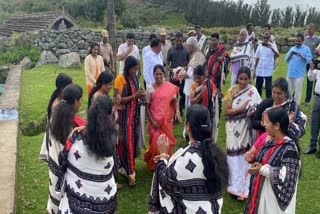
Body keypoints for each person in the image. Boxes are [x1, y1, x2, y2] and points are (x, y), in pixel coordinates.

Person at [148, 104, 229, 214]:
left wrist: (163, 155)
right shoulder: (216, 155)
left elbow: (164, 181)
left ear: (187, 126)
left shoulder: (183, 157)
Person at [56, 96, 117, 213]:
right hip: (106, 202)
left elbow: (62, 160)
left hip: (78, 203)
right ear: (110, 115)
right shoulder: (112, 139)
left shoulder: (75, 139)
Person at [245, 107, 300, 214]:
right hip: (260, 196)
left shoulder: (290, 150)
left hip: (272, 204)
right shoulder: (270, 142)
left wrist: (262, 169)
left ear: (277, 125)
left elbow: (287, 178)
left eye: (266, 122)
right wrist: (253, 160)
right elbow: (264, 160)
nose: (263, 125)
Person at [223, 66, 262, 200]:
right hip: (233, 129)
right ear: (237, 78)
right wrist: (240, 108)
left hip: (246, 128)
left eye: (246, 79)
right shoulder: (231, 91)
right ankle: (233, 186)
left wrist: (251, 112)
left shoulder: (253, 91)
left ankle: (244, 188)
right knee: (233, 157)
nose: (243, 82)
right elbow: (226, 111)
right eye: (240, 78)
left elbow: (259, 108)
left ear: (249, 79)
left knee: (245, 156)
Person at [48, 84, 85, 213]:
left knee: (56, 200)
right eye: (81, 100)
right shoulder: (75, 126)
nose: (81, 103)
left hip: (55, 170)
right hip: (68, 174)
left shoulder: (55, 117)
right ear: (75, 101)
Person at [38, 73, 72, 213]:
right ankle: (55, 208)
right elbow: (61, 132)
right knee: (58, 179)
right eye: (69, 86)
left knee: (56, 180)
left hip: (54, 143)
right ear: (62, 88)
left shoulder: (59, 101)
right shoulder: (58, 106)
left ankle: (55, 206)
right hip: (57, 146)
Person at [114, 56, 145, 186]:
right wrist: (134, 96)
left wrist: (140, 94)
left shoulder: (134, 79)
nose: (135, 71)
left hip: (135, 116)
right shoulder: (120, 79)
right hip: (125, 117)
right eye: (133, 68)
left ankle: (128, 168)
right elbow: (117, 100)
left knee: (132, 142)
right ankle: (130, 172)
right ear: (128, 67)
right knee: (126, 143)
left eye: (136, 68)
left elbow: (136, 94)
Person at [144, 64, 181, 170]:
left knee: (166, 142)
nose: (158, 76)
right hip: (154, 121)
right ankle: (155, 163)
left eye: (160, 74)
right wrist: (152, 121)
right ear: (153, 75)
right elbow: (147, 107)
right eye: (156, 74)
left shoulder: (168, 87)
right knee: (155, 143)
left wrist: (177, 111)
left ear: (163, 74)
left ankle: (166, 162)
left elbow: (175, 100)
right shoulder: (150, 89)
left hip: (166, 121)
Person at [251, 77, 306, 145]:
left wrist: (288, 124)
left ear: (285, 93)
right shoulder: (266, 104)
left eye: (279, 93)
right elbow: (253, 123)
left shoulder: (292, 107)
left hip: (284, 144)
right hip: (264, 143)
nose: (275, 96)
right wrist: (263, 123)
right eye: (274, 92)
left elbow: (300, 128)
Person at [39, 73, 72, 161]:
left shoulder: (60, 98)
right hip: (57, 135)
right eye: (69, 86)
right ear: (62, 88)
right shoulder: (58, 104)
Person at [190, 65, 218, 141]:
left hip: (208, 112)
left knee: (207, 134)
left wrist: (214, 94)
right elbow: (192, 101)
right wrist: (200, 94)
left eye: (199, 77)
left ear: (204, 76)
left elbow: (215, 91)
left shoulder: (209, 83)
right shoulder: (193, 85)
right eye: (195, 77)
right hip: (196, 114)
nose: (197, 80)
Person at [285, 33, 312, 104]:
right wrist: (290, 55)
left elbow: (309, 60)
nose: (297, 42)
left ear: (302, 41)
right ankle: (289, 105)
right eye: (296, 41)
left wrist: (302, 56)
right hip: (290, 73)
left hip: (299, 75)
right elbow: (286, 60)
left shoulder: (306, 49)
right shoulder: (292, 49)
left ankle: (296, 107)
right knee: (288, 91)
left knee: (297, 93)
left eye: (299, 41)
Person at [179, 37, 205, 110]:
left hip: (193, 85)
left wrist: (184, 75)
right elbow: (191, 69)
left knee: (191, 107)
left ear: (191, 46)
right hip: (190, 84)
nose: (187, 49)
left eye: (188, 46)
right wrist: (185, 69)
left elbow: (195, 73)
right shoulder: (195, 55)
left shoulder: (198, 56)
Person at [167, 32, 189, 116]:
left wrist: (184, 68)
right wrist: (170, 69)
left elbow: (189, 62)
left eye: (180, 40)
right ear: (175, 39)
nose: (179, 41)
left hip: (183, 75)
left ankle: (181, 109)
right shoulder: (171, 50)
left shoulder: (186, 50)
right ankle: (174, 111)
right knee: (174, 94)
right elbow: (167, 62)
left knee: (183, 93)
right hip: (174, 76)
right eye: (177, 40)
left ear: (182, 39)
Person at [253, 31, 279, 98]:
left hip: (268, 71)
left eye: (267, 38)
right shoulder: (260, 46)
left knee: (268, 89)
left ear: (269, 38)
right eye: (264, 38)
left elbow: (278, 55)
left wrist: (271, 48)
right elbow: (257, 58)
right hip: (260, 70)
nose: (265, 39)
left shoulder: (273, 45)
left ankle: (268, 104)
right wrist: (254, 70)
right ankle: (258, 103)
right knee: (258, 88)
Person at [305, 62, 320, 156]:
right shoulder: (318, 70)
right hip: (317, 97)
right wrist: (311, 68)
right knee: (314, 122)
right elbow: (311, 78)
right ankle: (312, 146)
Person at [304, 23, 320, 106]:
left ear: (314, 30)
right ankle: (307, 100)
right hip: (307, 62)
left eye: (310, 29)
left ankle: (315, 98)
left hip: (315, 62)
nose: (308, 30)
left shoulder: (318, 39)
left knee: (316, 80)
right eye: (308, 29)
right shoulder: (305, 38)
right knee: (309, 81)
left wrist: (317, 52)